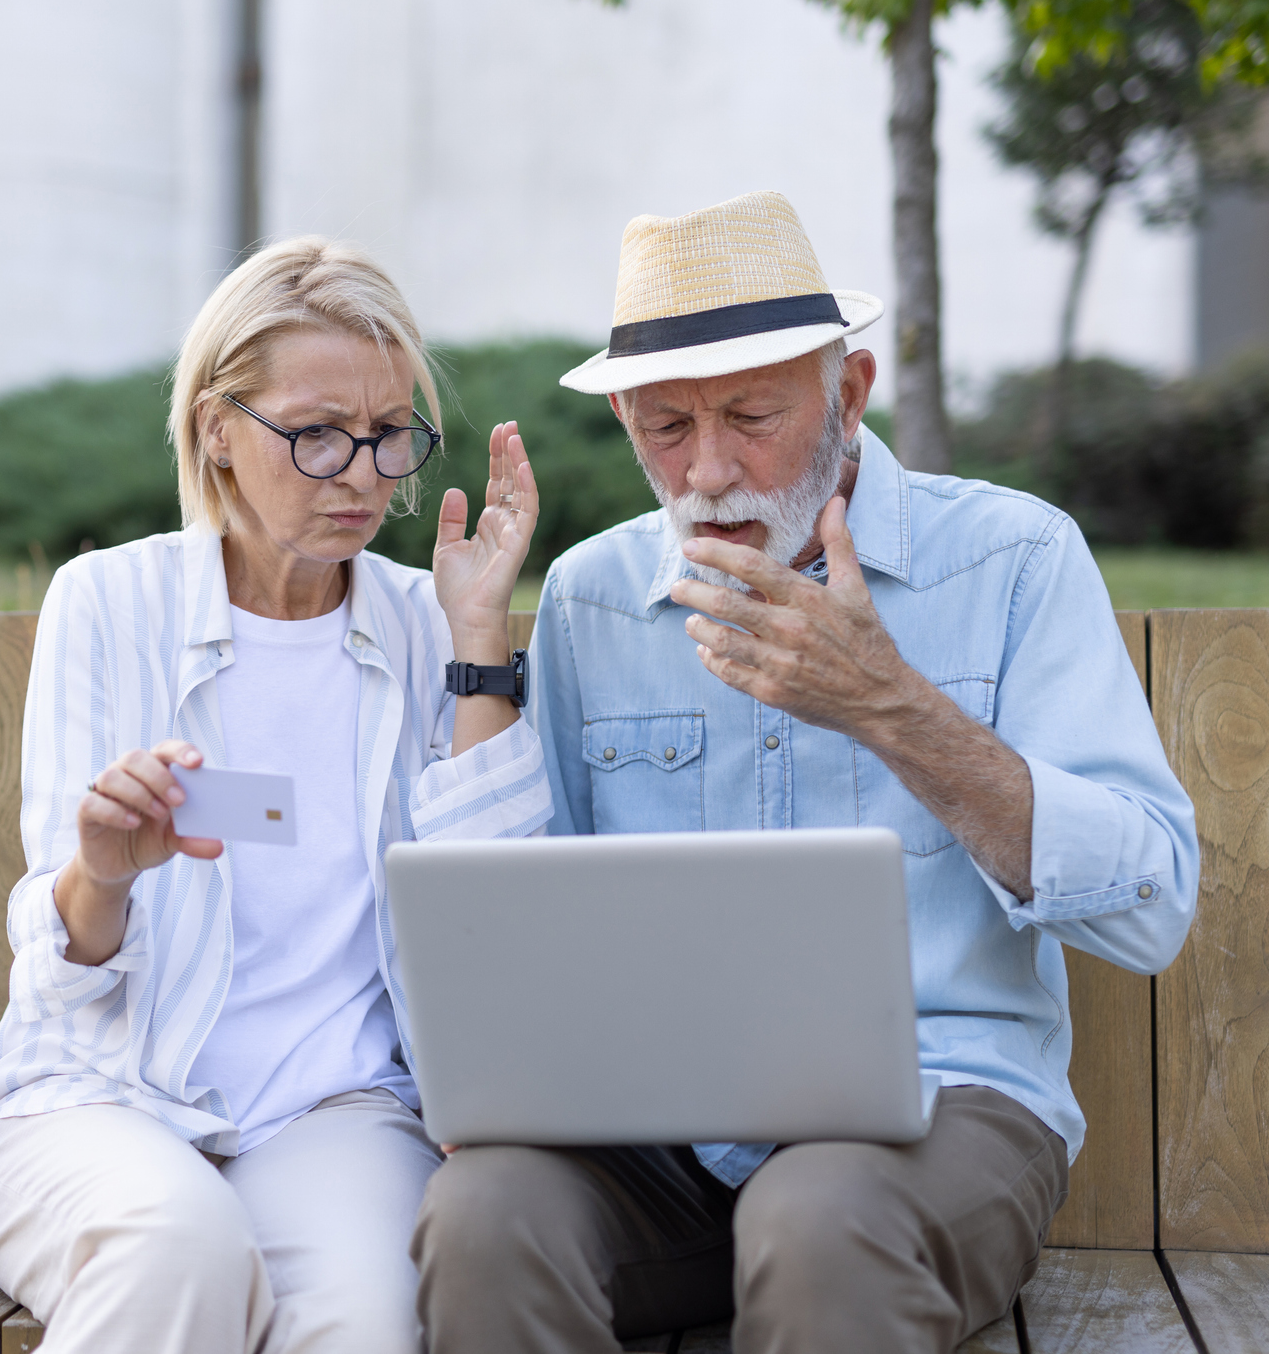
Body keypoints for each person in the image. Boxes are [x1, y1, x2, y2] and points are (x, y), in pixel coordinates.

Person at [412, 191, 1199, 1353]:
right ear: (625, 418)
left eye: (750, 415)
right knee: (482, 1216)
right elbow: (525, 926)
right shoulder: (592, 595)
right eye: (666, 428)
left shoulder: (1016, 559)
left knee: (817, 1217)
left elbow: (1152, 905)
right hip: (657, 1136)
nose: (712, 471)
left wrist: (890, 708)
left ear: (850, 393)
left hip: (941, 1114)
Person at [0, 236, 552, 1354]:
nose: (364, 474)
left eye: (387, 435)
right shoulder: (108, 603)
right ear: (218, 429)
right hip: (95, 1096)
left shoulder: (429, 620)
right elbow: (60, 968)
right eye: (318, 432)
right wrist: (104, 869)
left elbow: (497, 911)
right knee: (177, 1250)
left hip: (335, 1112)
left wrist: (478, 641)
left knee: (371, 1317)